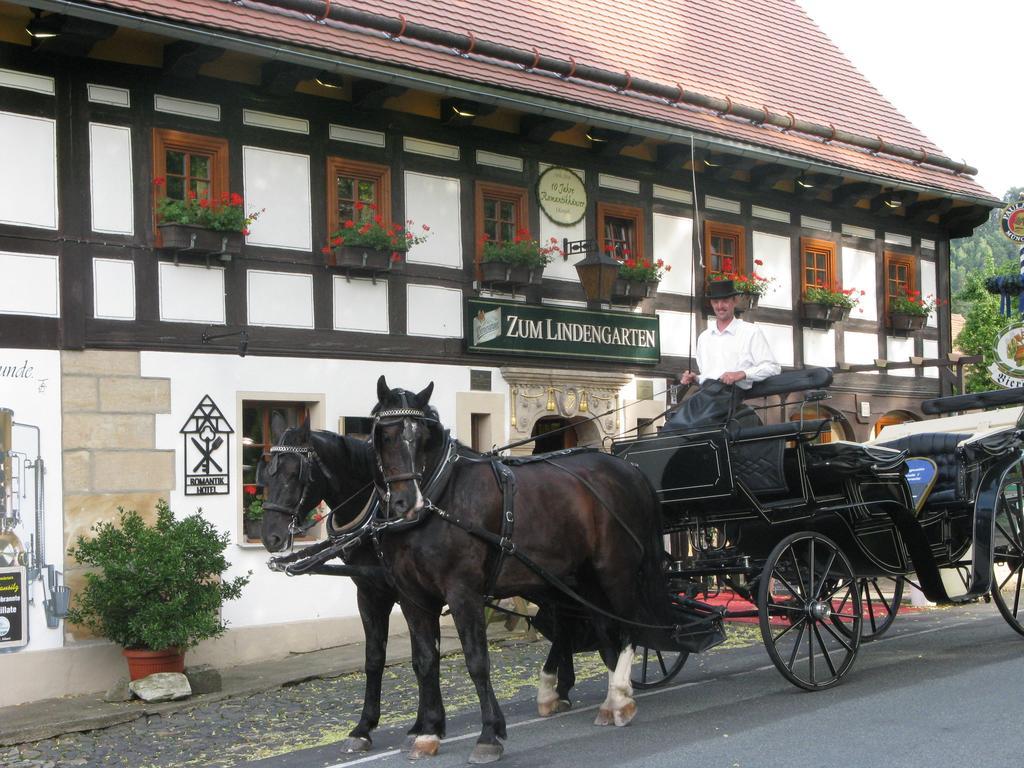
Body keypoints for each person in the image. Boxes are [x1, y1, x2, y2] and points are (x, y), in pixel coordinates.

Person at [666, 279, 780, 431]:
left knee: (692, 426)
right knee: (673, 424)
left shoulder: (750, 332)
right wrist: (696, 378)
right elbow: (709, 375)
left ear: (735, 301)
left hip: (729, 397)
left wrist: (742, 374)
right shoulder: (704, 337)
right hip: (705, 394)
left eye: (725, 301)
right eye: (716, 302)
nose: (720, 306)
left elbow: (772, 367)